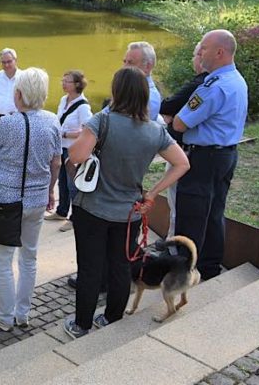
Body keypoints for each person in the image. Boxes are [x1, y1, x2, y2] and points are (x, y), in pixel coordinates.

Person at [62, 66, 189, 339]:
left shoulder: (102, 121)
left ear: (116, 92)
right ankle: (111, 317)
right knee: (121, 265)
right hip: (129, 212)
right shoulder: (155, 130)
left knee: (90, 266)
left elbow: (75, 156)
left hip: (92, 208)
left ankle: (81, 324)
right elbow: (182, 163)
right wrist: (153, 193)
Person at [0, 68, 62, 331]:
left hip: (7, 200)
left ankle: (5, 316)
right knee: (29, 257)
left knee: (3, 260)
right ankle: (23, 313)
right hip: (37, 199)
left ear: (18, 94)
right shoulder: (52, 121)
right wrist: (51, 190)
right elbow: (56, 161)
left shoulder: (8, 123)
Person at [172, 29, 248, 281]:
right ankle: (210, 267)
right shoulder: (236, 79)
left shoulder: (214, 86)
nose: (200, 52)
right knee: (215, 213)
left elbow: (180, 123)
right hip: (226, 155)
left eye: (203, 48)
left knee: (191, 216)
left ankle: (182, 273)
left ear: (219, 52)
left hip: (204, 159)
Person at [159, 43, 208, 238]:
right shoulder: (222, 81)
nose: (192, 59)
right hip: (209, 154)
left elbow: (167, 105)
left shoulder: (199, 84)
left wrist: (171, 120)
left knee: (178, 203)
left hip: (187, 151)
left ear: (201, 57)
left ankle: (173, 251)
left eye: (194, 55)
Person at [45, 70, 92, 232]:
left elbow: (87, 130)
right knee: (62, 182)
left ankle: (76, 218)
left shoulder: (83, 106)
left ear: (77, 84)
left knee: (73, 185)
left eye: (67, 81)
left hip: (73, 150)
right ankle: (61, 211)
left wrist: (65, 134)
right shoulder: (63, 100)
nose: (63, 84)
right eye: (63, 81)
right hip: (61, 147)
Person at [122, 41, 162, 122]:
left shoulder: (148, 97)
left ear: (148, 66)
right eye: (124, 62)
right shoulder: (129, 88)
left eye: (130, 62)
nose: (124, 67)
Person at [0, 48, 20, 130]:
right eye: (3, 62)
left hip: (16, 116)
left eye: (9, 61)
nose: (6, 65)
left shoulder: (23, 77)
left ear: (15, 60)